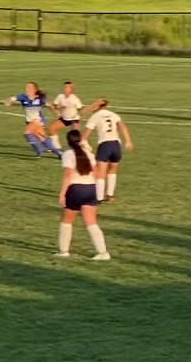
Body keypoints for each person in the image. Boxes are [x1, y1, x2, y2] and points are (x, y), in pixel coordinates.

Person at [55, 129, 110, 261]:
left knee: (67, 220)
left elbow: (68, 175)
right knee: (92, 223)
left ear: (68, 141)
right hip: (90, 189)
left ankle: (64, 251)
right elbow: (97, 173)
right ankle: (103, 252)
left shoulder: (68, 154)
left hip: (76, 189)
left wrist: (62, 194)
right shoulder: (88, 154)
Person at [83, 98, 133, 204]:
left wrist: (85, 145)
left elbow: (85, 136)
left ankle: (99, 198)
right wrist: (128, 141)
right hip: (116, 144)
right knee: (113, 170)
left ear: (98, 106)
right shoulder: (113, 114)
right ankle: (110, 196)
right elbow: (123, 127)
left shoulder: (95, 116)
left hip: (105, 144)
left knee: (100, 173)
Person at [4, 82, 61, 157]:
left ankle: (39, 151)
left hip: (38, 120)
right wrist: (8, 102)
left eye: (30, 87)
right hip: (29, 121)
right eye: (27, 87)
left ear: (34, 89)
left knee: (27, 133)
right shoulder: (23, 97)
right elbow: (12, 99)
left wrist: (57, 112)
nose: (28, 89)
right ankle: (59, 153)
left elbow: (49, 105)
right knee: (42, 138)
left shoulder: (39, 98)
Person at [48, 81, 86, 150]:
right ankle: (56, 147)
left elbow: (80, 108)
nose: (65, 89)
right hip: (64, 119)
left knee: (75, 137)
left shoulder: (75, 99)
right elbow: (55, 106)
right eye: (65, 87)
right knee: (52, 128)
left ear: (71, 90)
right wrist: (58, 108)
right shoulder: (60, 96)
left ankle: (84, 148)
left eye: (67, 87)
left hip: (74, 120)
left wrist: (78, 117)